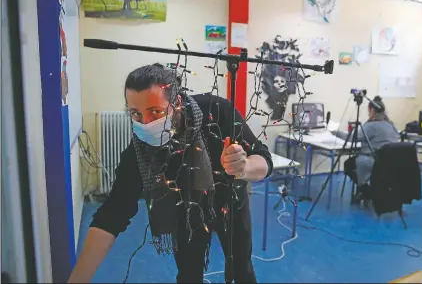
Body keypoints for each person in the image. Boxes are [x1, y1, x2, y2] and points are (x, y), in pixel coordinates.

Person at [67, 63, 273, 283]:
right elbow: (113, 214)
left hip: (230, 204)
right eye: (135, 114)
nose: (146, 124)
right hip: (186, 212)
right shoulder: (139, 152)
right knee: (188, 274)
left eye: (155, 111)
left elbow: (264, 159)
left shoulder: (216, 111)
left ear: (176, 103)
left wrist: (245, 168)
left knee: (241, 268)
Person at [331, 96, 399, 202]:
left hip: (372, 161)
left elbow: (351, 138)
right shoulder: (391, 125)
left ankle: (367, 191)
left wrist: (334, 132)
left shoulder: (371, 126)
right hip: (390, 163)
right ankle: (371, 189)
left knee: (348, 165)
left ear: (371, 110)